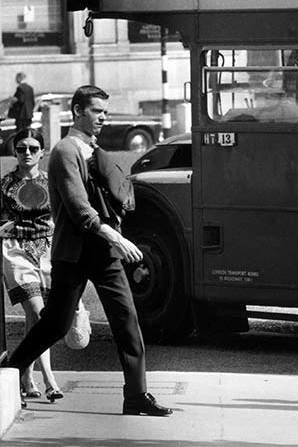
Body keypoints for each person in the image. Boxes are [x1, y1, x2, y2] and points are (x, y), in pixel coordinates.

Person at [2, 85, 172, 416]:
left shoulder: (94, 149)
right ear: (79, 111)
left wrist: (115, 233)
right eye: (97, 111)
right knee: (56, 323)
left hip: (104, 252)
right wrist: (118, 239)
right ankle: (11, 367)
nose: (103, 118)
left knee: (127, 321)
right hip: (75, 253)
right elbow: (79, 208)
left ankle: (136, 394)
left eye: (105, 112)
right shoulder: (66, 151)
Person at [1, 129, 62, 404]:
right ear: (14, 152)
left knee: (36, 320)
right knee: (39, 314)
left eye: (33, 148)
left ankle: (23, 375)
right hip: (15, 250)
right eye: (22, 148)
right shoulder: (4, 185)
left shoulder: (52, 182)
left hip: (48, 251)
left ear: (43, 151)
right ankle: (50, 380)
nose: (27, 153)